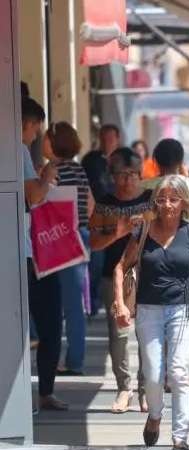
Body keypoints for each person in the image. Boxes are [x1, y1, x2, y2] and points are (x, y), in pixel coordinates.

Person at [112, 175, 189, 450]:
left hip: (181, 309)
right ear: (155, 202)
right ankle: (155, 414)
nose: (167, 205)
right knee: (152, 375)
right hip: (148, 310)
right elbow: (120, 267)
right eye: (161, 199)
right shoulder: (143, 231)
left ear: (184, 202)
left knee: (178, 371)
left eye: (173, 199)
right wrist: (120, 303)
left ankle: (180, 437)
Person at [89, 148, 154, 413]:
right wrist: (118, 233)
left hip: (149, 276)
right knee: (119, 335)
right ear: (112, 176)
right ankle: (123, 388)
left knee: (147, 334)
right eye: (120, 175)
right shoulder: (105, 205)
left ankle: (145, 390)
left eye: (131, 175)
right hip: (112, 276)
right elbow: (93, 243)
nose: (126, 181)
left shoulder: (153, 201)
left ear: (140, 175)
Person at [22, 97, 67, 410]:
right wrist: (47, 175)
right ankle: (45, 392)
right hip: (29, 253)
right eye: (37, 126)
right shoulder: (18, 149)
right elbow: (34, 194)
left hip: (21, 249)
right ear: (27, 122)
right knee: (50, 324)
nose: (37, 134)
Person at [42, 122, 94, 376]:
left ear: (54, 142)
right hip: (80, 235)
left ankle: (74, 362)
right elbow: (91, 203)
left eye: (45, 138)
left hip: (63, 239)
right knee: (74, 303)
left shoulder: (55, 170)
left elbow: (44, 203)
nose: (42, 142)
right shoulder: (79, 169)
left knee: (66, 304)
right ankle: (73, 358)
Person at [82, 124, 121, 317]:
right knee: (95, 264)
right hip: (95, 220)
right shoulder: (90, 161)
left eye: (111, 138)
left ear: (117, 139)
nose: (107, 142)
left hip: (117, 221)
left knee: (114, 265)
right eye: (104, 138)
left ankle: (114, 300)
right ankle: (93, 303)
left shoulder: (123, 160)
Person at [142, 139, 189, 226]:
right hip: (183, 238)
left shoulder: (143, 186)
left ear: (156, 160)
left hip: (150, 238)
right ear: (181, 161)